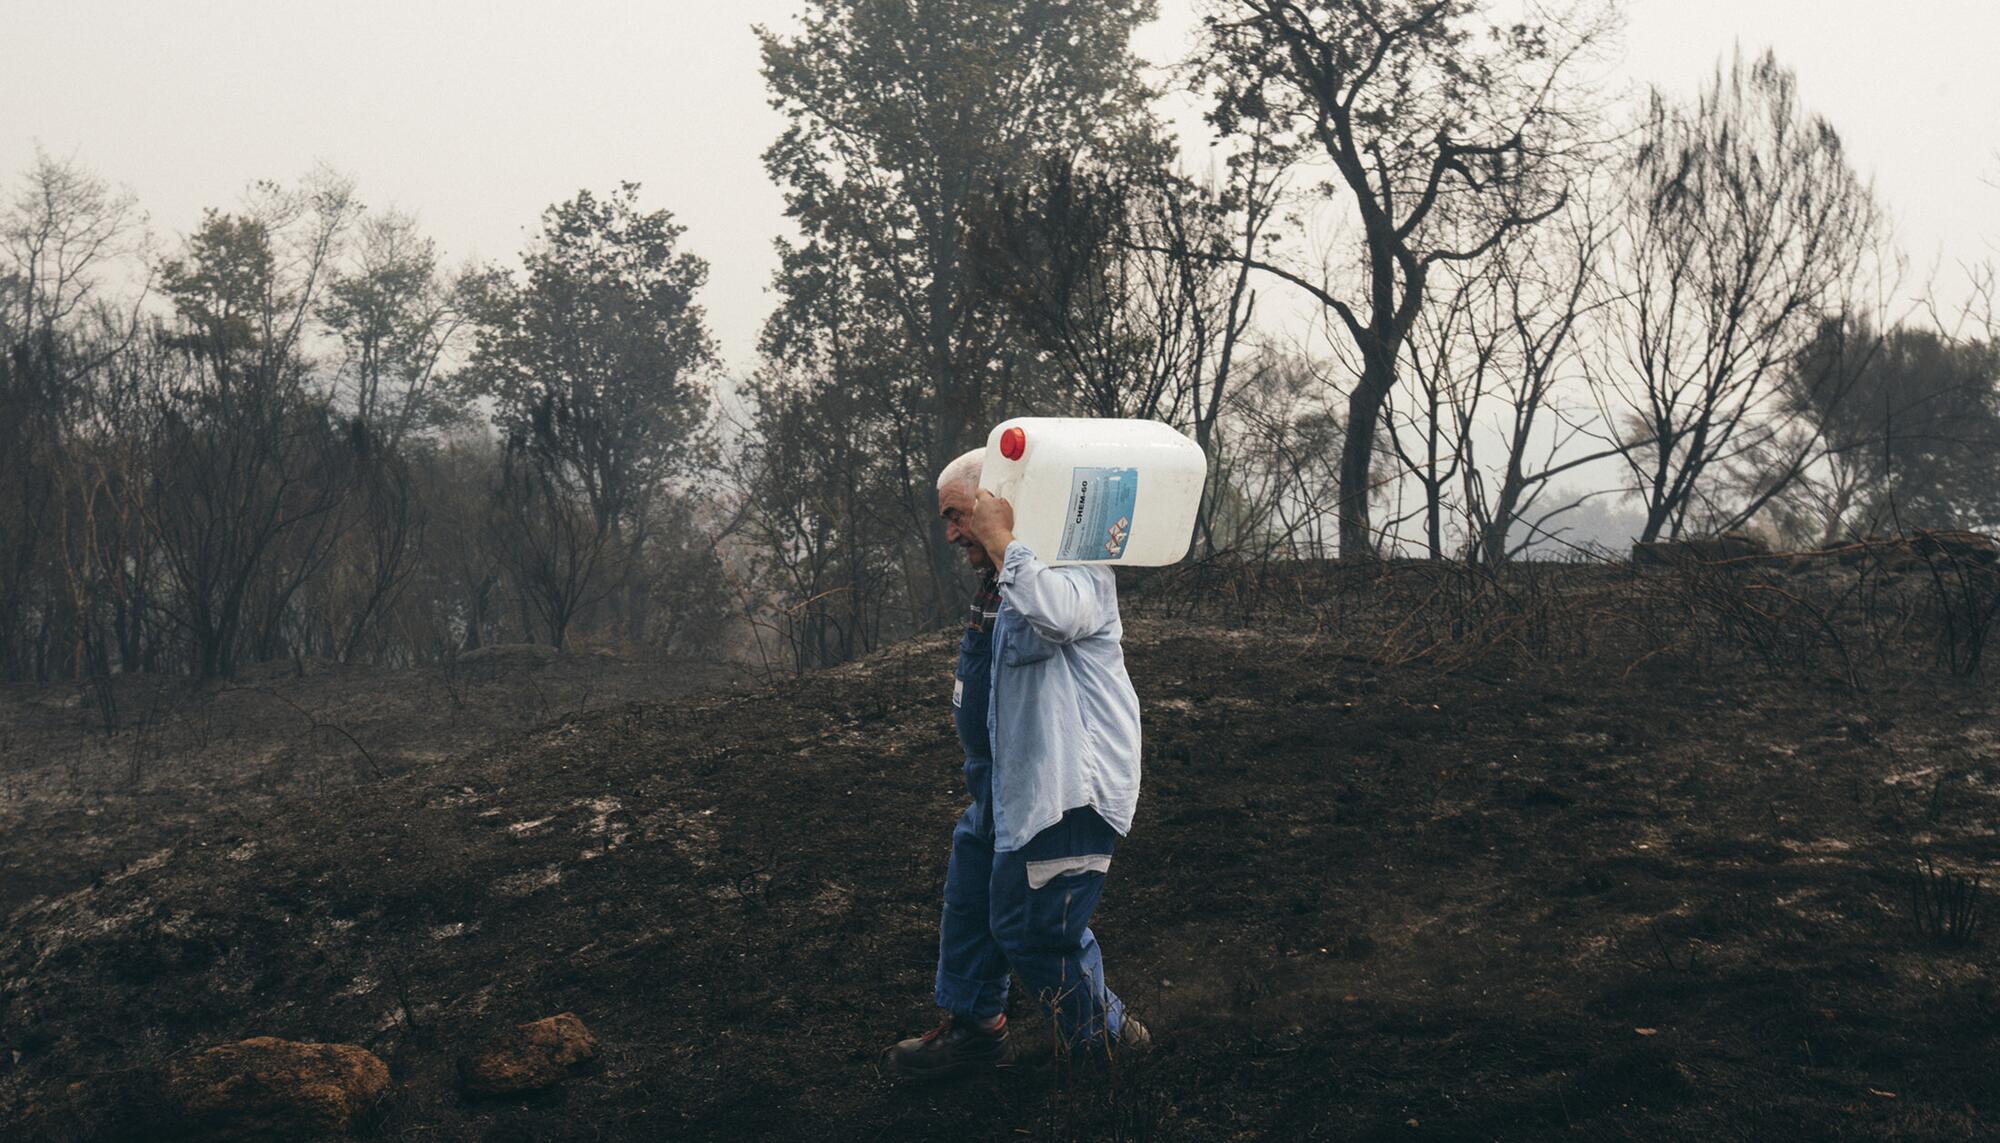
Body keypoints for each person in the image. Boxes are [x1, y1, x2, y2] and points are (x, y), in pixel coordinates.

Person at [885, 447, 1149, 1082]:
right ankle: (976, 1030)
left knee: (1034, 929)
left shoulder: (1080, 572)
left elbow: (1054, 615)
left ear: (995, 503)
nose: (951, 533)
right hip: (1007, 788)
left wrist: (1005, 539)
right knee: (972, 899)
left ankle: (1109, 1044)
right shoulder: (998, 584)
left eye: (957, 515)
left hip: (1067, 793)